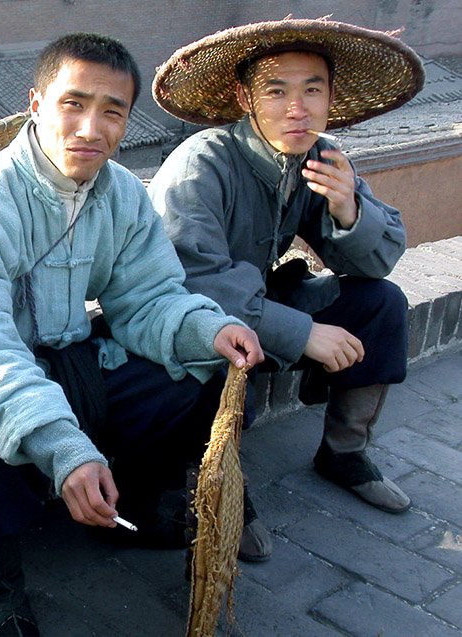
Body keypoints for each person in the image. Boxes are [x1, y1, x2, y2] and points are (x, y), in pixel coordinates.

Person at [0, 33, 263, 637]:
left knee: (197, 374)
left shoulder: (121, 192)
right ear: (36, 104)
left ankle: (143, 504)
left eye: (113, 110)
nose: (91, 128)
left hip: (69, 353)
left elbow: (148, 298)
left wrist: (209, 327)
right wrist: (67, 450)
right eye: (73, 103)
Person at [149, 18, 425, 562]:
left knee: (380, 305)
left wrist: (349, 209)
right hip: (191, 322)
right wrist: (303, 334)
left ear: (330, 98)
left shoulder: (319, 157)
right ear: (244, 96)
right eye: (277, 91)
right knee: (223, 351)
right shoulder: (202, 163)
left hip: (264, 304)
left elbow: (379, 261)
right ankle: (226, 492)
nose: (296, 109)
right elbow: (193, 282)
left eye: (312, 90)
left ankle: (345, 452)